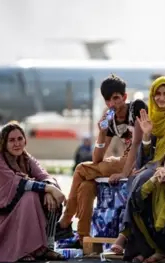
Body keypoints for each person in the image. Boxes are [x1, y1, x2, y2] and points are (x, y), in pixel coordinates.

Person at [111, 76, 165, 262]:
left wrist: (157, 166)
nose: (162, 98)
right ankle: (144, 248)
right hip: (155, 165)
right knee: (136, 179)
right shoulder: (153, 116)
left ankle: (124, 234)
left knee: (142, 180)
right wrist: (147, 136)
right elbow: (146, 155)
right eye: (158, 94)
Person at [58, 74, 147, 241]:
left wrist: (124, 173)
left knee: (81, 168)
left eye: (115, 98)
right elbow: (97, 159)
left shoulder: (136, 107)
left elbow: (137, 144)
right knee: (86, 185)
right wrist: (102, 132)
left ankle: (66, 219)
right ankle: (83, 237)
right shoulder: (111, 118)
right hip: (123, 161)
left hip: (140, 162)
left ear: (124, 97)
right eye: (108, 100)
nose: (112, 104)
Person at [0, 122, 68, 262]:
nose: (17, 144)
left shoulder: (26, 158)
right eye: (11, 140)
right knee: (30, 195)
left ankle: (47, 247)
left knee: (49, 196)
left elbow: (45, 176)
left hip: (13, 209)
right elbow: (17, 184)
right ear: (4, 143)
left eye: (20, 139)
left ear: (25, 140)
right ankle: (25, 249)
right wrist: (49, 188)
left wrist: (49, 190)